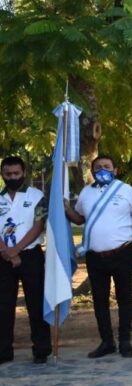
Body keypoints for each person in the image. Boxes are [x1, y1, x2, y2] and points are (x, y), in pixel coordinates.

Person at [64, 155, 132, 359]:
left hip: (122, 253)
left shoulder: (127, 191)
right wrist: (66, 209)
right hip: (95, 256)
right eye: (97, 167)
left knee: (125, 298)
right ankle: (106, 341)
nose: (102, 170)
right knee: (100, 300)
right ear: (92, 171)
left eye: (107, 166)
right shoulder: (86, 193)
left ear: (115, 170)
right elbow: (80, 219)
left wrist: (130, 239)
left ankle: (125, 341)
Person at [0, 156, 51, 364]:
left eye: (16, 173)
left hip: (30, 255)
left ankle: (41, 349)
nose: (12, 177)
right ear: (3, 174)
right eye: (8, 174)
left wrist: (17, 250)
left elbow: (39, 225)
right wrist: (7, 251)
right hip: (2, 257)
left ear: (24, 173)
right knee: (3, 305)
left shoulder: (36, 195)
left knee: (36, 303)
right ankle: (3, 351)